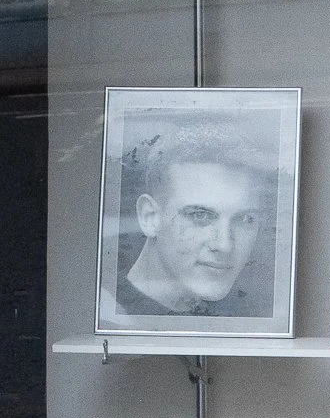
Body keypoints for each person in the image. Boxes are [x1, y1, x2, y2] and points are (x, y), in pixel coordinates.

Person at [115, 126, 272, 318]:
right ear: (150, 217)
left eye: (245, 219)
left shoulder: (246, 317)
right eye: (200, 215)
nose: (224, 245)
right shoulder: (111, 316)